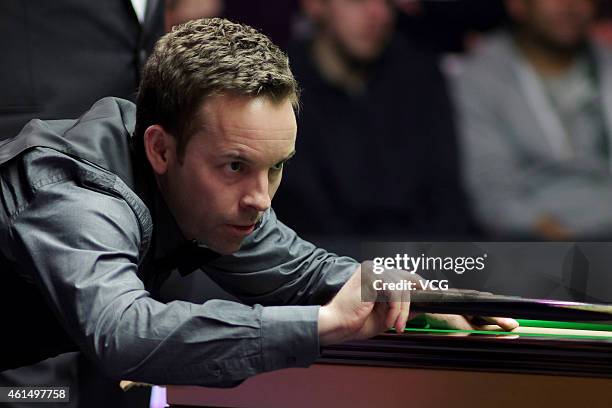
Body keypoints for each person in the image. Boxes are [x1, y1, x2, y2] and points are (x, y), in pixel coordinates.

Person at [0, 18, 516, 386]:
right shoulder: (79, 195)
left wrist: (418, 300)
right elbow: (126, 334)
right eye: (235, 167)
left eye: (277, 167)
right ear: (160, 148)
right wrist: (322, 327)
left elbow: (303, 270)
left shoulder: (216, 192)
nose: (260, 199)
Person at [273, 0, 474, 252]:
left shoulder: (419, 75)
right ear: (315, 5)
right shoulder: (279, 85)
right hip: (322, 267)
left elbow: (447, 197)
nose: (379, 14)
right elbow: (300, 208)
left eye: (388, 2)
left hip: (424, 264)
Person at [452, 0, 612, 240]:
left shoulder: (605, 62)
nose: (570, 6)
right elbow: (492, 196)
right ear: (517, 5)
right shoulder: (480, 79)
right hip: (539, 245)